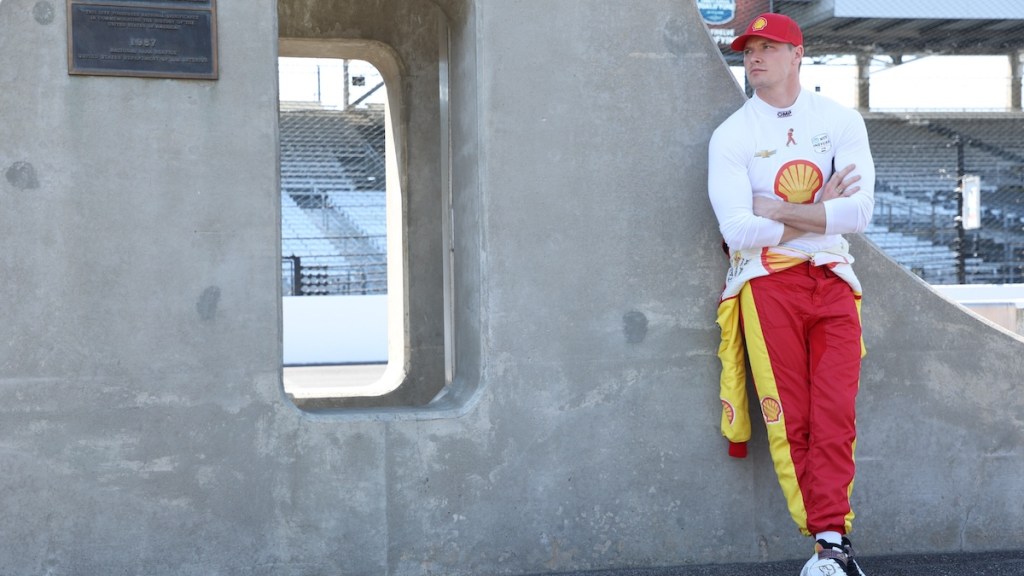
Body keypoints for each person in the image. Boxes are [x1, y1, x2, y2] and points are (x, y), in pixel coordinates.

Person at [707, 12, 875, 576]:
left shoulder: (840, 120)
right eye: (748, 49)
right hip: (765, 286)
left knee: (835, 415)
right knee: (790, 421)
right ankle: (830, 544)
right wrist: (818, 214)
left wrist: (779, 208)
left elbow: (860, 213)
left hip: (832, 280)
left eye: (768, 47)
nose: (754, 57)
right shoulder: (732, 134)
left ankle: (830, 544)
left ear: (797, 54)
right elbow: (737, 231)